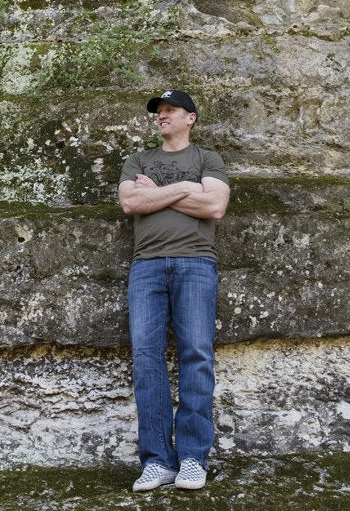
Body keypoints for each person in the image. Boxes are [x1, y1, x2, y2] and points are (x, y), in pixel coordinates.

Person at [117, 89, 230, 491]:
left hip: (196, 263)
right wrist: (188, 190)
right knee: (147, 358)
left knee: (195, 355)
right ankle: (158, 462)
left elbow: (215, 207)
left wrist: (161, 193)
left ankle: (193, 460)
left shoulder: (207, 159)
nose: (162, 116)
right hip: (146, 267)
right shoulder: (138, 160)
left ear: (190, 118)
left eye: (170, 111)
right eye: (159, 112)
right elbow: (131, 202)